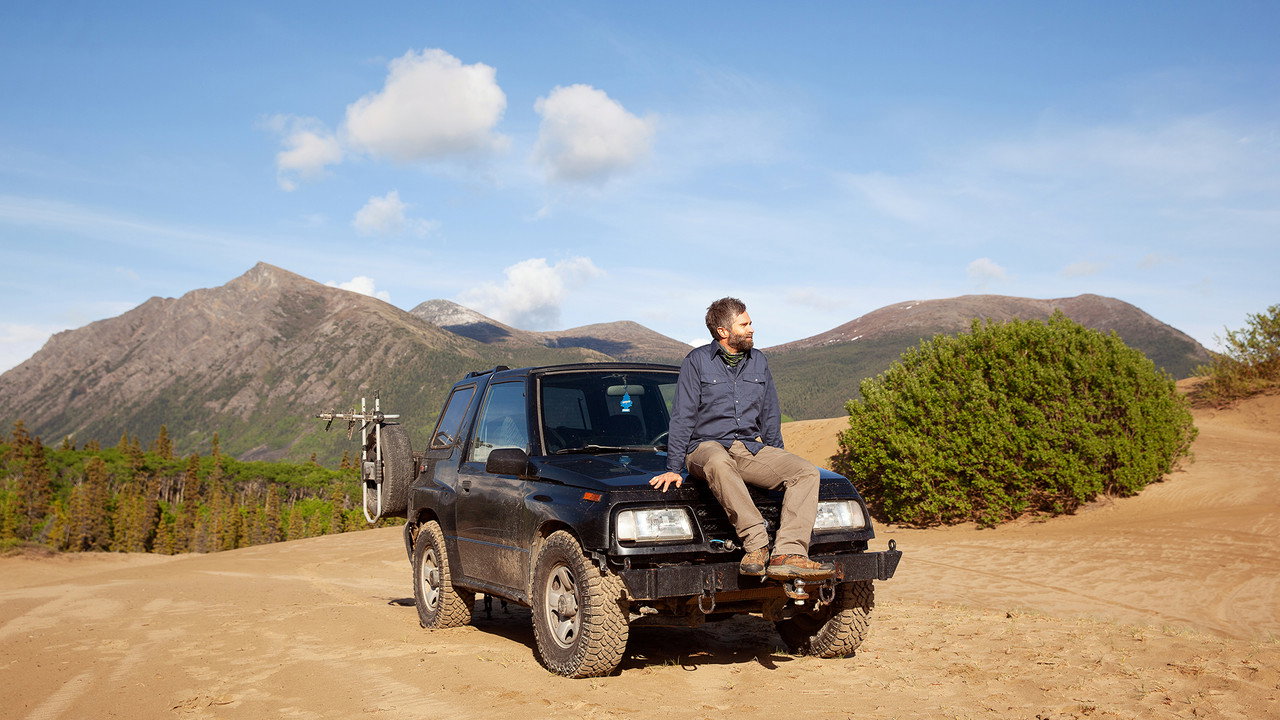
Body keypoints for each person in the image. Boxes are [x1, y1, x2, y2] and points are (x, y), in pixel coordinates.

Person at [650, 298, 834, 580]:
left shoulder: (758, 361)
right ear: (723, 331)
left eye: (750, 323)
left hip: (747, 447)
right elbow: (683, 416)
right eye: (745, 324)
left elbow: (770, 414)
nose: (751, 329)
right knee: (719, 461)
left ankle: (788, 553)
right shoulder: (697, 361)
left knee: (806, 472)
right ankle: (757, 545)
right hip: (703, 447)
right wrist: (674, 468)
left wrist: (777, 459)